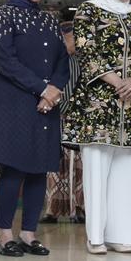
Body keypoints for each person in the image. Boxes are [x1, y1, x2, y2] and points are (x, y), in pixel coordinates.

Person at [63, 0, 131, 254]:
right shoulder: (89, 10)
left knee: (128, 173)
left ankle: (123, 235)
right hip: (97, 106)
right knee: (96, 169)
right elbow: (86, 49)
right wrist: (117, 80)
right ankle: (96, 236)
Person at [0, 0, 69, 258]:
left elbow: (62, 61)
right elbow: (6, 61)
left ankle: (29, 234)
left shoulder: (49, 21)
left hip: (45, 104)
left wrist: (53, 90)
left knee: (39, 169)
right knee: (14, 168)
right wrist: (43, 89)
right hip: (13, 103)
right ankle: (5, 234)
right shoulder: (3, 16)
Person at [42, 15, 85, 225]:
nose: (75, 42)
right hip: (55, 117)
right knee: (54, 165)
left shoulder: (84, 62)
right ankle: (52, 210)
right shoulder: (53, 61)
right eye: (72, 37)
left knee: (80, 166)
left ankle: (80, 209)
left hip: (79, 119)